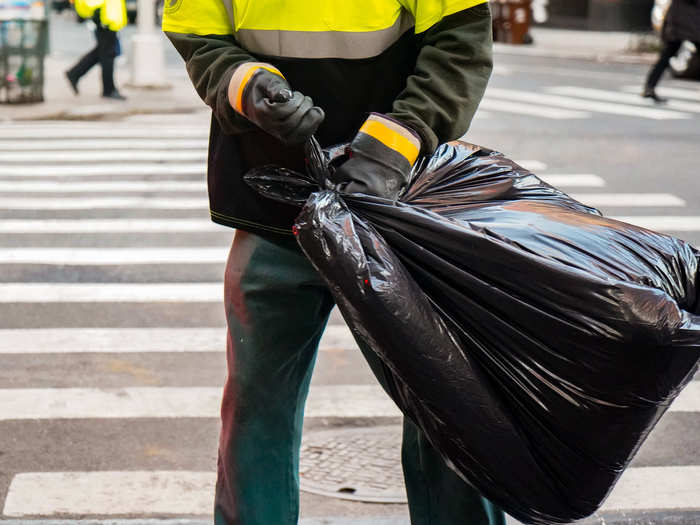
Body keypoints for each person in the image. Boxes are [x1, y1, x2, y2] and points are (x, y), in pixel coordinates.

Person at [163, 1, 500, 523]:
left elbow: (460, 44)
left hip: (393, 212)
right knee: (259, 409)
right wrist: (248, 86)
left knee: (447, 402)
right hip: (276, 208)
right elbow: (199, 34)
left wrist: (391, 146)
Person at [66, 0, 127, 100]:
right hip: (105, 19)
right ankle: (108, 90)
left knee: (102, 53)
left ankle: (74, 73)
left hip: (108, 19)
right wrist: (98, 13)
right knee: (107, 55)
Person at [643, 0, 700, 103]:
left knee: (666, 56)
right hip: (689, 22)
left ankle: (649, 86)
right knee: (666, 55)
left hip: (682, 21)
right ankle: (649, 87)